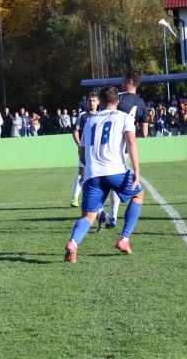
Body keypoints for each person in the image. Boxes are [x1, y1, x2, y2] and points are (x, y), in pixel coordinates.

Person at [64, 86, 144, 263]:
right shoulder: (124, 117)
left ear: (100, 101)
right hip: (115, 170)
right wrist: (137, 171)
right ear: (118, 101)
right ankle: (124, 239)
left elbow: (82, 152)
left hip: (93, 173)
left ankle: (72, 244)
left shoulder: (90, 120)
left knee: (89, 216)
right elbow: (131, 142)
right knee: (138, 195)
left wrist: (88, 168)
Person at [106, 68, 148, 229]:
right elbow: (145, 133)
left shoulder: (119, 98)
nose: (121, 81)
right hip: (125, 148)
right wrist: (129, 133)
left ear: (129, 81)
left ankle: (110, 215)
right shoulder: (141, 103)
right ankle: (112, 216)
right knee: (116, 180)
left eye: (123, 78)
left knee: (103, 180)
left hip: (110, 145)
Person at [69, 92, 99, 208]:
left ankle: (93, 199)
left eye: (94, 100)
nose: (91, 103)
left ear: (98, 102)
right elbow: (75, 132)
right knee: (82, 172)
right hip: (85, 150)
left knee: (97, 174)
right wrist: (79, 145)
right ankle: (75, 198)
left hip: (97, 151)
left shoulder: (101, 115)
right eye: (90, 101)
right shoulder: (82, 116)